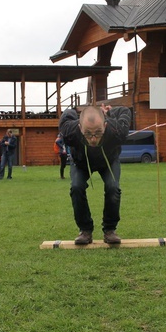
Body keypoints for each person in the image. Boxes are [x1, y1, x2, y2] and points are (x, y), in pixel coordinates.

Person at [59, 104, 131, 244]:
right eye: (88, 133)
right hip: (81, 163)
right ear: (80, 128)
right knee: (76, 187)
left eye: (98, 133)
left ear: (105, 125)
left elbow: (124, 110)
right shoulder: (69, 131)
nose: (93, 139)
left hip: (108, 161)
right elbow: (67, 113)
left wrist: (109, 113)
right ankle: (85, 230)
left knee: (113, 188)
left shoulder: (118, 130)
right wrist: (76, 111)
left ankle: (110, 230)